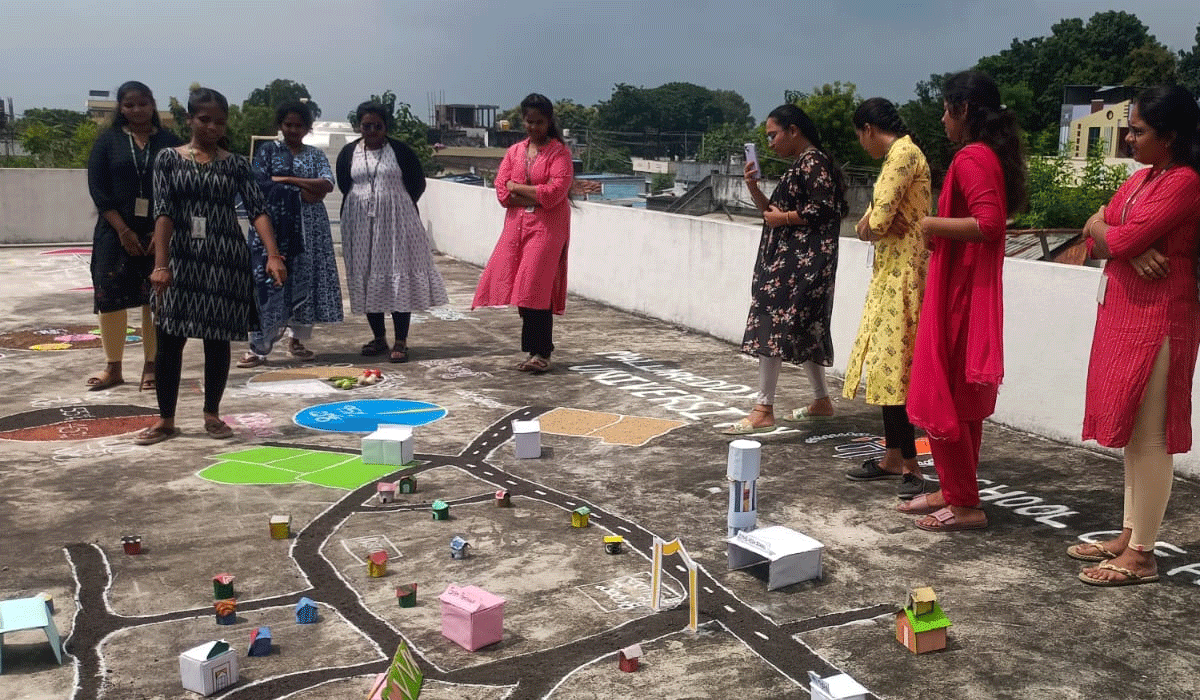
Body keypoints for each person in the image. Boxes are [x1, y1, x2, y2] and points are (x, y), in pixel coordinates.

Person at [1072, 85, 1200, 586]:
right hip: (1127, 314)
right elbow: (1094, 233)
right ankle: (1130, 534)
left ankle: (1143, 555)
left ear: (1169, 136)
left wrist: (1115, 237)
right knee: (1132, 431)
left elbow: (1113, 234)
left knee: (1150, 437)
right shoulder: (1144, 179)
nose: (1128, 138)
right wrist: (1118, 240)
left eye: (1138, 130)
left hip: (1161, 317)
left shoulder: (1184, 182)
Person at [898, 71, 1026, 531]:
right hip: (965, 289)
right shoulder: (987, 155)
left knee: (946, 395)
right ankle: (955, 491)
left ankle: (965, 505)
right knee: (962, 401)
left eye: (946, 110)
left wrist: (929, 225)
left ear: (964, 110)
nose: (942, 119)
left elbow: (989, 224)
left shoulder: (971, 158)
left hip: (960, 295)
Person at [134, 88, 287, 445]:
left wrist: (273, 255)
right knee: (169, 340)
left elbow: (258, 210)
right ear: (189, 119)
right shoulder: (168, 159)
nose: (213, 127)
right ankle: (166, 420)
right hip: (182, 259)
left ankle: (212, 415)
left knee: (217, 342)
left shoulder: (236, 165)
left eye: (220, 121)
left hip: (225, 260)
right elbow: (163, 213)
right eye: (205, 120)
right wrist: (161, 265)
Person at [723, 103, 848, 435]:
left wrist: (786, 218)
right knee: (805, 327)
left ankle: (763, 408)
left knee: (770, 321)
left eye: (773, 135)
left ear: (794, 130)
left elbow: (824, 208)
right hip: (797, 261)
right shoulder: (803, 164)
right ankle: (821, 400)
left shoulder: (812, 162)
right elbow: (772, 215)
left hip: (801, 262)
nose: (770, 143)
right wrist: (753, 187)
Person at [843, 98, 932, 497]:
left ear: (868, 129)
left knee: (895, 371)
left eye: (860, 137)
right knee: (886, 368)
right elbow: (870, 223)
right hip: (893, 274)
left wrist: (872, 223)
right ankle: (895, 456)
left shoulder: (902, 156)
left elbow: (874, 223)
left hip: (903, 276)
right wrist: (872, 223)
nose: (862, 145)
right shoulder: (901, 155)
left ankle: (910, 464)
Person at [85, 81, 181, 391]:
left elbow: (179, 189)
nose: (137, 110)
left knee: (155, 299)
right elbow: (98, 190)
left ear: (153, 104)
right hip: (114, 234)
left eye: (143, 103)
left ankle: (152, 366)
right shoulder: (108, 142)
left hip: (158, 234)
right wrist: (123, 230)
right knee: (110, 298)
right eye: (129, 104)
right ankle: (113, 368)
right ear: (121, 108)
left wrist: (160, 232)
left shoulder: (170, 142)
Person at [337, 102, 447, 363]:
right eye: (366, 126)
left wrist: (393, 203)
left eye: (378, 126)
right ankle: (378, 338)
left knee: (398, 277)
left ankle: (401, 341)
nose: (372, 131)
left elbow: (417, 183)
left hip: (397, 223)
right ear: (359, 126)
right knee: (366, 276)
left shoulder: (400, 151)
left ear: (386, 127)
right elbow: (344, 183)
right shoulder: (349, 152)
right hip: (359, 225)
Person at [472, 93, 574, 373]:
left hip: (547, 229)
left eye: (539, 122)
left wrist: (518, 188)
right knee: (521, 289)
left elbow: (554, 193)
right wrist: (530, 194)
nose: (534, 127)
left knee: (535, 285)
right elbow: (502, 192)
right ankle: (533, 350)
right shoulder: (515, 151)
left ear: (549, 121)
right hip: (516, 227)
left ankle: (542, 351)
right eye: (529, 122)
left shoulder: (559, 153)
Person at [238, 101, 343, 368]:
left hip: (310, 229)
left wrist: (287, 180)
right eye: (288, 124)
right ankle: (258, 347)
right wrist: (303, 191)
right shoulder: (267, 152)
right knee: (267, 284)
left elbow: (326, 184)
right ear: (280, 126)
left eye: (299, 125)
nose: (293, 130)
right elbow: (257, 183)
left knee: (304, 282)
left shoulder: (315, 155)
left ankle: (297, 340)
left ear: (307, 128)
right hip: (273, 228)